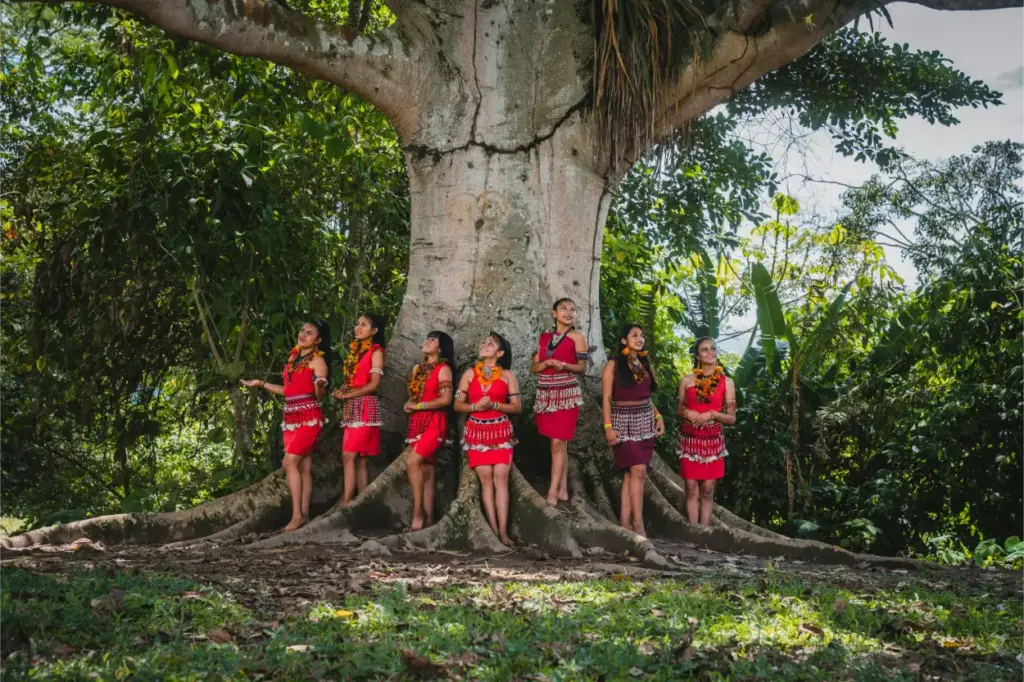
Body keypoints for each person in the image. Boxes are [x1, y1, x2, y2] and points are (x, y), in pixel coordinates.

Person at [240, 320, 331, 532]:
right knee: (304, 467)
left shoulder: (318, 361)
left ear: (317, 340)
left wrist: (320, 386)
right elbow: (289, 391)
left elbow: (320, 395)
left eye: (310, 333)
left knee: (289, 462)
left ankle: (297, 516)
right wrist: (261, 383)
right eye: (302, 330)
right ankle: (305, 515)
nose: (303, 334)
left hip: (308, 416)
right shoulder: (293, 358)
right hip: (290, 417)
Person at [455, 332, 521, 546]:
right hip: (477, 432)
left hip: (500, 430)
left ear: (500, 353)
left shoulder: (507, 375)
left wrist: (494, 405)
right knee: (486, 481)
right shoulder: (469, 374)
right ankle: (492, 530)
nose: (484, 345)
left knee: (500, 478)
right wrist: (475, 407)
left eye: (490, 344)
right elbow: (457, 405)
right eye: (483, 342)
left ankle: (503, 532)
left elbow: (517, 407)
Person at [602, 323, 664, 538]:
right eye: (634, 335)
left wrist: (658, 416)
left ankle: (625, 524)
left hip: (645, 420)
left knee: (632, 474)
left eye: (642, 335)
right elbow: (607, 399)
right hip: (622, 421)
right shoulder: (613, 365)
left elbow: (646, 396)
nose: (640, 338)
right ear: (623, 340)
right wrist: (608, 427)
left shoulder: (643, 363)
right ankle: (639, 526)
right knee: (637, 470)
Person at [531, 298, 588, 506]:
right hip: (545, 393)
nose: (569, 312)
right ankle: (563, 489)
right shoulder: (544, 338)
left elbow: (582, 368)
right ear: (554, 313)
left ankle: (553, 492)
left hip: (566, 394)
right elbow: (534, 367)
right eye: (563, 308)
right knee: (556, 442)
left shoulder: (577, 337)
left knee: (558, 441)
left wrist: (564, 365)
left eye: (573, 309)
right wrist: (546, 362)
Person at [676, 336, 736, 526]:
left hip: (713, 441)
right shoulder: (687, 381)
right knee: (691, 488)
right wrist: (687, 412)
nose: (710, 353)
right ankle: (694, 531)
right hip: (690, 440)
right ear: (698, 355)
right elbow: (677, 412)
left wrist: (712, 414)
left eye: (712, 349)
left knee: (708, 490)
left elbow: (731, 418)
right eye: (704, 350)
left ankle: (705, 532)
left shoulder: (727, 383)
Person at [403, 331, 455, 531]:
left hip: (435, 422)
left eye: (433, 339)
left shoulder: (444, 369)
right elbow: (415, 397)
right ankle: (430, 520)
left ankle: (418, 513)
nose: (427, 341)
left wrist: (419, 407)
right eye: (427, 337)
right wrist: (410, 405)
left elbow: (445, 400)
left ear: (441, 349)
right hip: (417, 423)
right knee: (426, 469)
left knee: (412, 461)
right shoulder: (418, 369)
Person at [332, 313, 386, 506]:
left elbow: (373, 385)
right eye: (357, 323)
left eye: (364, 324)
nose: (358, 327)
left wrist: (348, 395)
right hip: (351, 408)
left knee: (349, 455)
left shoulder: (376, 352)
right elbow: (354, 382)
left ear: (374, 331)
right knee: (360, 459)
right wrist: (343, 391)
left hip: (365, 407)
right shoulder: (355, 352)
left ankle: (347, 504)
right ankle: (362, 503)